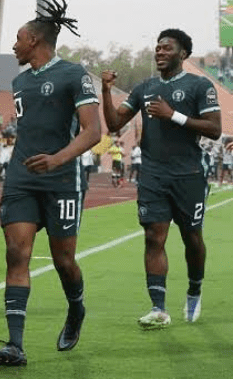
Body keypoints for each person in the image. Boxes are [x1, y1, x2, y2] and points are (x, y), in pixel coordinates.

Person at [0, 0, 101, 366]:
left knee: (63, 260)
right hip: (21, 179)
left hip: (62, 180)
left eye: (18, 39)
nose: (14, 45)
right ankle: (15, 345)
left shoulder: (74, 74)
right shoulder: (19, 81)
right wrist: (10, 180)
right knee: (16, 254)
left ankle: (76, 308)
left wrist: (57, 159)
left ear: (34, 40)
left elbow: (92, 131)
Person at [101, 28, 221, 328]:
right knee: (154, 236)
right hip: (153, 176)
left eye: (167, 48)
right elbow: (114, 124)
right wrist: (105, 90)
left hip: (189, 175)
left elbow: (214, 129)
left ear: (183, 54)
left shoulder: (199, 85)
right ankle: (158, 308)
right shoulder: (145, 87)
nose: (160, 52)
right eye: (158, 48)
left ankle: (194, 290)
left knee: (192, 238)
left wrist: (173, 115)